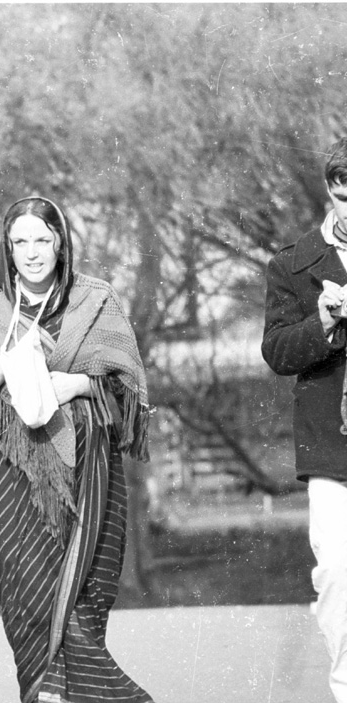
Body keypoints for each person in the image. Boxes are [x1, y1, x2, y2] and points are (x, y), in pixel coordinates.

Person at [0, 196, 153, 703]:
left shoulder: (96, 299)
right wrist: (7, 364)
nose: (31, 252)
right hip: (7, 475)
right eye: (20, 242)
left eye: (42, 239)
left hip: (88, 470)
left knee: (86, 592)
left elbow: (128, 388)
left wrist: (77, 383)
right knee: (29, 591)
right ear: (7, 248)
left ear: (61, 243)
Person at [262, 137, 347, 703]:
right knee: (337, 575)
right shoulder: (292, 264)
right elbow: (276, 353)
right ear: (330, 191)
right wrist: (323, 322)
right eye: (345, 196)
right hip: (332, 448)